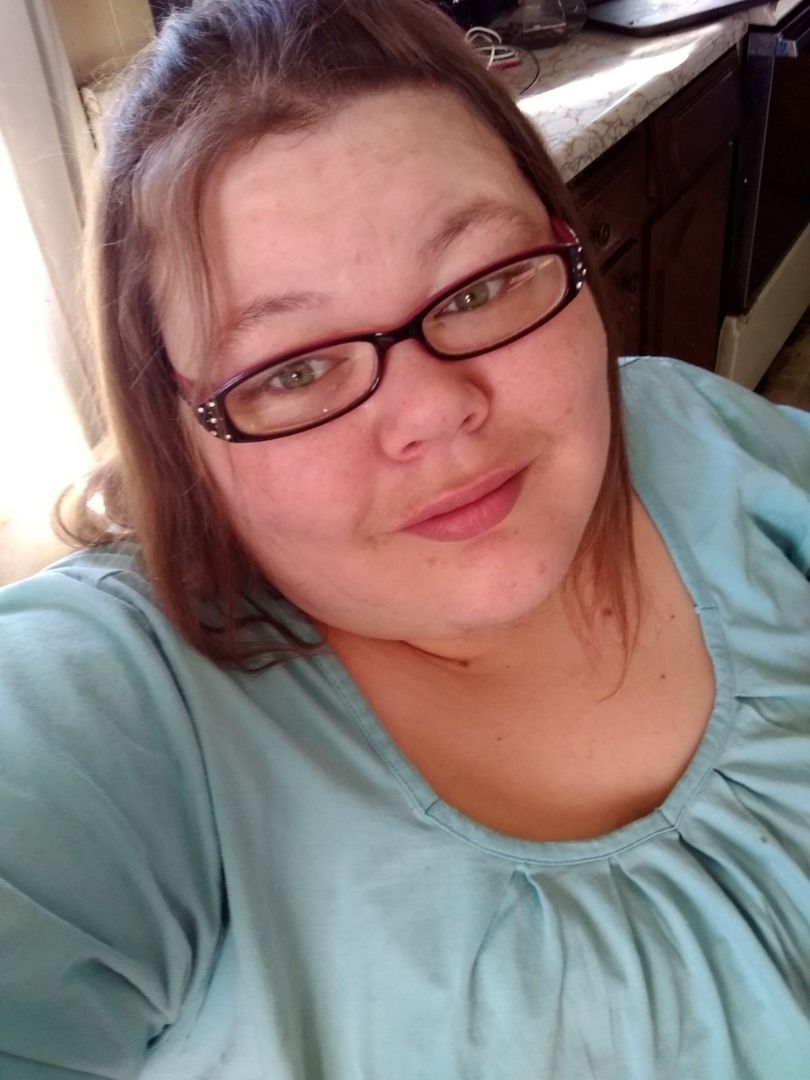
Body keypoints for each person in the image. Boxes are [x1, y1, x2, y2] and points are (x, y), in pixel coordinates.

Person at [1, 0, 808, 1075]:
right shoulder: (114, 708)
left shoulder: (701, 434)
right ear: (176, 429)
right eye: (293, 369)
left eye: (480, 285)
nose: (434, 411)